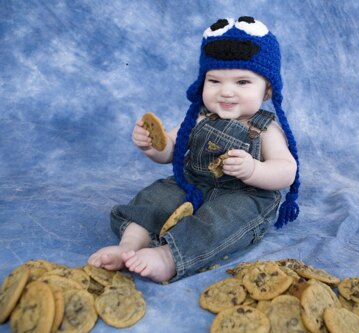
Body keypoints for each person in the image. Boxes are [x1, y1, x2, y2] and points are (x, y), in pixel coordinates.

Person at [88, 16, 300, 282]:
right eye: (215, 81)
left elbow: (286, 170)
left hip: (244, 195)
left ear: (267, 89)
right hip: (192, 183)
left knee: (222, 223)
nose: (226, 92)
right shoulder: (199, 117)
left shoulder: (267, 129)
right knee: (155, 198)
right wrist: (154, 146)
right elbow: (170, 152)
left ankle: (169, 256)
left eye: (242, 82)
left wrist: (254, 169)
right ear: (203, 82)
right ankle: (128, 247)